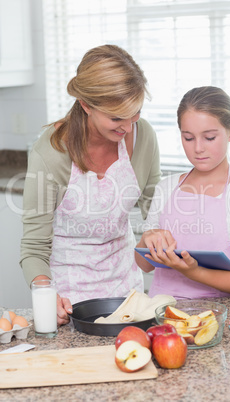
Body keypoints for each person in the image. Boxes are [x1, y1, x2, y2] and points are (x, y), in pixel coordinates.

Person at [20, 44, 161, 325]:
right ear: (86, 105)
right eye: (116, 117)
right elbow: (34, 247)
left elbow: (155, 208)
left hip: (127, 295)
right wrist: (46, 292)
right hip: (70, 301)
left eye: (135, 113)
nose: (128, 127)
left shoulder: (142, 135)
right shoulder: (51, 153)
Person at [135, 86, 230, 299]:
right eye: (188, 138)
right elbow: (144, 264)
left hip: (217, 317)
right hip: (161, 315)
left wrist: (194, 271)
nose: (198, 148)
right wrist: (146, 239)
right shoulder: (166, 188)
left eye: (209, 137)